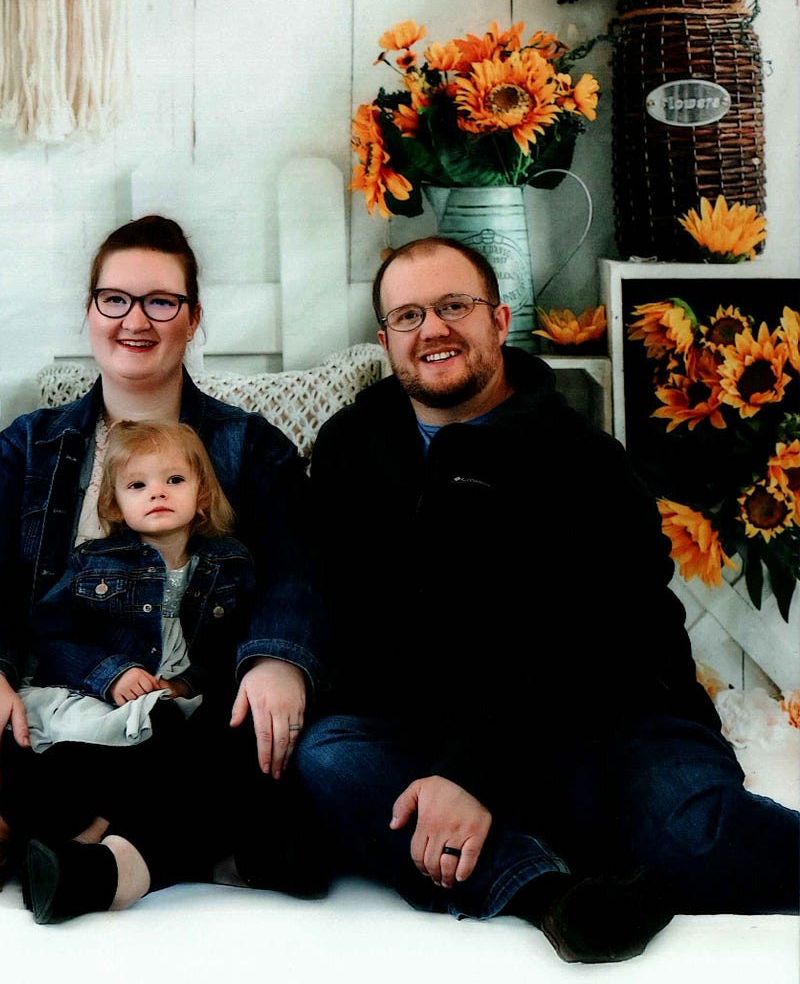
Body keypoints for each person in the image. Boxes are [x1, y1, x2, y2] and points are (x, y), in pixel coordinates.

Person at [293, 236, 800, 963]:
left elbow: (598, 646)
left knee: (691, 832)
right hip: (438, 726)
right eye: (408, 315)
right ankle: (558, 895)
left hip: (614, 718)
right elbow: (346, 614)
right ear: (385, 341)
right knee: (333, 756)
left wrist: (475, 773)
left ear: (499, 320)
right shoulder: (351, 448)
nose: (431, 328)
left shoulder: (582, 460)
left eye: (453, 306)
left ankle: (628, 860)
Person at [0, 215, 321, 912]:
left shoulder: (249, 447)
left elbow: (294, 572)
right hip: (63, 713)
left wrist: (276, 658)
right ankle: (208, 845)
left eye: (160, 301)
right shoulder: (26, 448)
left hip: (194, 711)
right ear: (90, 312)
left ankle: (101, 858)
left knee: (242, 736)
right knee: (18, 748)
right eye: (114, 298)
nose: (135, 320)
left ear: (193, 317)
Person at [0, 420, 255, 922]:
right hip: (98, 698)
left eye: (174, 480)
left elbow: (230, 651)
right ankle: (55, 835)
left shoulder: (230, 564)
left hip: (174, 702)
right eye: (138, 485)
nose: (157, 492)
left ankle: (90, 851)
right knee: (83, 761)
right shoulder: (96, 562)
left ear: (201, 494)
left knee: (195, 740)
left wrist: (187, 683)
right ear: (114, 505)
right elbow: (50, 634)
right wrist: (110, 672)